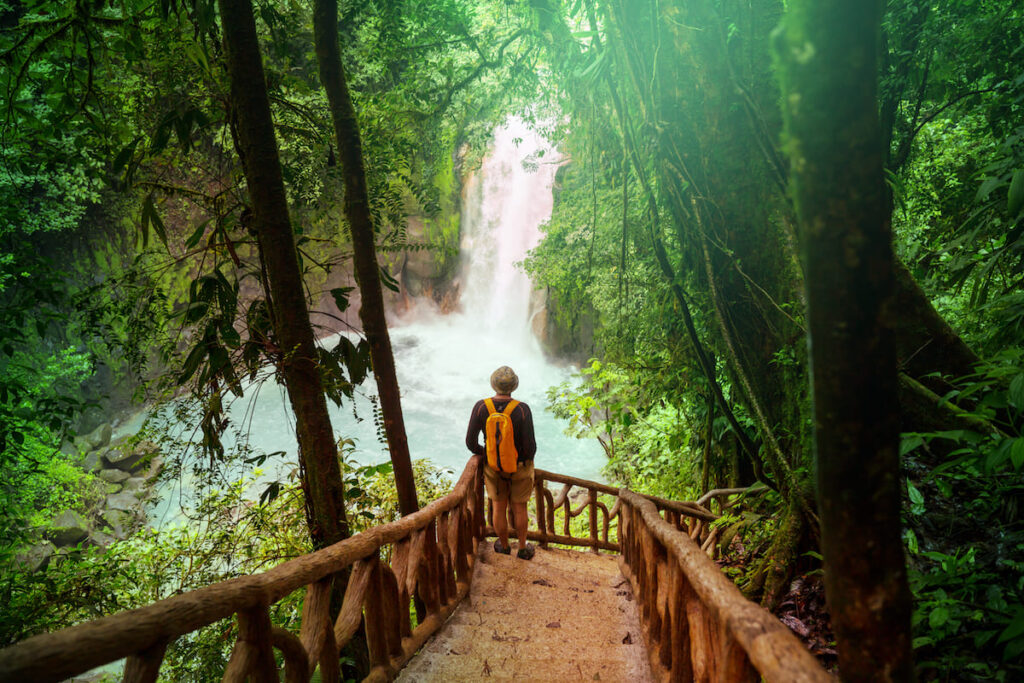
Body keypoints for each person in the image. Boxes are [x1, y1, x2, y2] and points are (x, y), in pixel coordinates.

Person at [466, 365, 537, 560]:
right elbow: (530, 446)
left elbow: (470, 442)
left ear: (493, 384)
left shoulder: (481, 407)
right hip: (519, 467)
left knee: (498, 507)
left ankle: (504, 546)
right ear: (514, 386)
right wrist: (523, 460)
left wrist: (487, 455)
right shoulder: (522, 410)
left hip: (493, 467)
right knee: (519, 507)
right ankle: (522, 548)